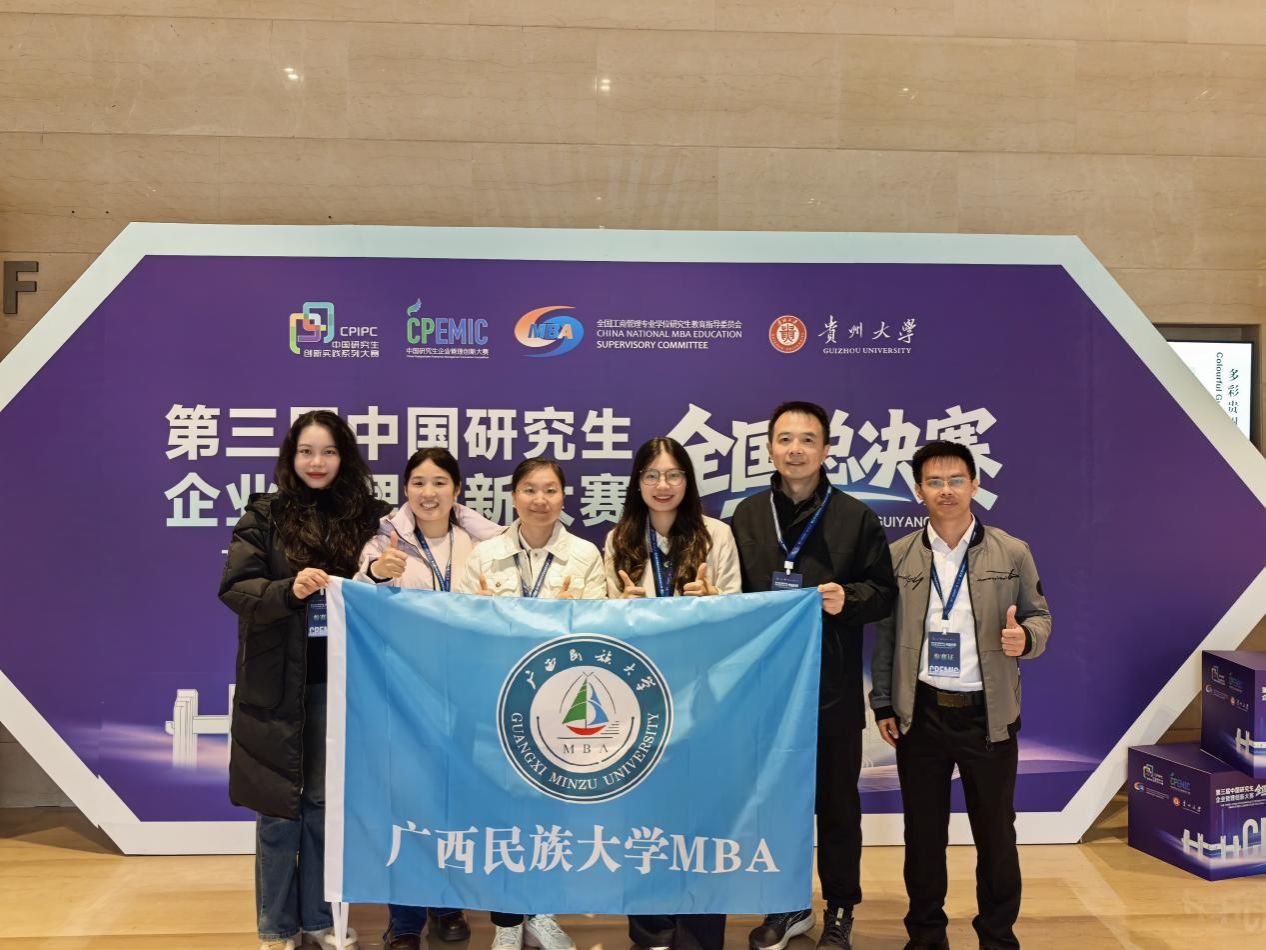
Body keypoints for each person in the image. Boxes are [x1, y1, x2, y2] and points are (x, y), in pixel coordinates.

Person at [869, 441, 1051, 950]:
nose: (945, 490)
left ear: (975, 485)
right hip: (922, 715)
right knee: (923, 835)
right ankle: (926, 936)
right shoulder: (899, 556)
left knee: (996, 835)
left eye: (955, 480)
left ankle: (997, 936)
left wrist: (1026, 639)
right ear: (918, 490)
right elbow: (886, 637)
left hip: (987, 718)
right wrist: (883, 702)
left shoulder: (1012, 552)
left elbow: (1039, 616)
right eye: (934, 482)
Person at [730, 401, 897, 950]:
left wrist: (849, 598)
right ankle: (788, 906)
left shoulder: (855, 517)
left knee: (838, 808)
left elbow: (884, 594)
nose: (795, 449)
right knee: (777, 806)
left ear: (826, 449)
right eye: (784, 439)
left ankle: (841, 909)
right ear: (769, 448)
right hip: (767, 694)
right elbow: (731, 598)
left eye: (807, 440)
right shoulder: (747, 516)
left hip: (832, 691)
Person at [219, 410, 386, 950]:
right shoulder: (264, 514)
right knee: (276, 810)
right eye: (307, 452)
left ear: (345, 457)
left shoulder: (371, 519)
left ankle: (318, 920)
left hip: (341, 683)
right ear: (291, 458)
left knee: (322, 805)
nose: (318, 462)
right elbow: (236, 588)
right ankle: (275, 928)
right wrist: (287, 590)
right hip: (275, 683)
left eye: (329, 451)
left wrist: (377, 575)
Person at [354, 447, 504, 950]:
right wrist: (378, 573)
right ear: (405, 490)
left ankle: (447, 904)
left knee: (454, 802)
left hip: (467, 693)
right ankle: (403, 920)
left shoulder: (479, 544)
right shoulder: (386, 541)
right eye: (418, 482)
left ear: (457, 490)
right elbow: (358, 594)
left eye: (440, 482)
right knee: (407, 803)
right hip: (405, 694)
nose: (428, 492)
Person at [458, 457, 607, 950]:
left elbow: (598, 628)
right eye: (529, 489)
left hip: (560, 704)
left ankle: (541, 912)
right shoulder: (485, 555)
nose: (539, 500)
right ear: (513, 496)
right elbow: (459, 623)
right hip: (498, 701)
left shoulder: (584, 555)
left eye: (549, 490)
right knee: (501, 813)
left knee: (551, 814)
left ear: (564, 497)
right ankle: (506, 921)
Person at [603, 436, 740, 950]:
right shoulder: (619, 539)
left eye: (674, 475)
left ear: (688, 481)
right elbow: (604, 626)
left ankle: (701, 931)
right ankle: (651, 931)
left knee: (704, 815)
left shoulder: (716, 535)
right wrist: (625, 611)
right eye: (652, 476)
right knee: (643, 815)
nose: (663, 485)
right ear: (637, 483)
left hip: (704, 697)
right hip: (640, 700)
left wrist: (711, 602)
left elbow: (737, 616)